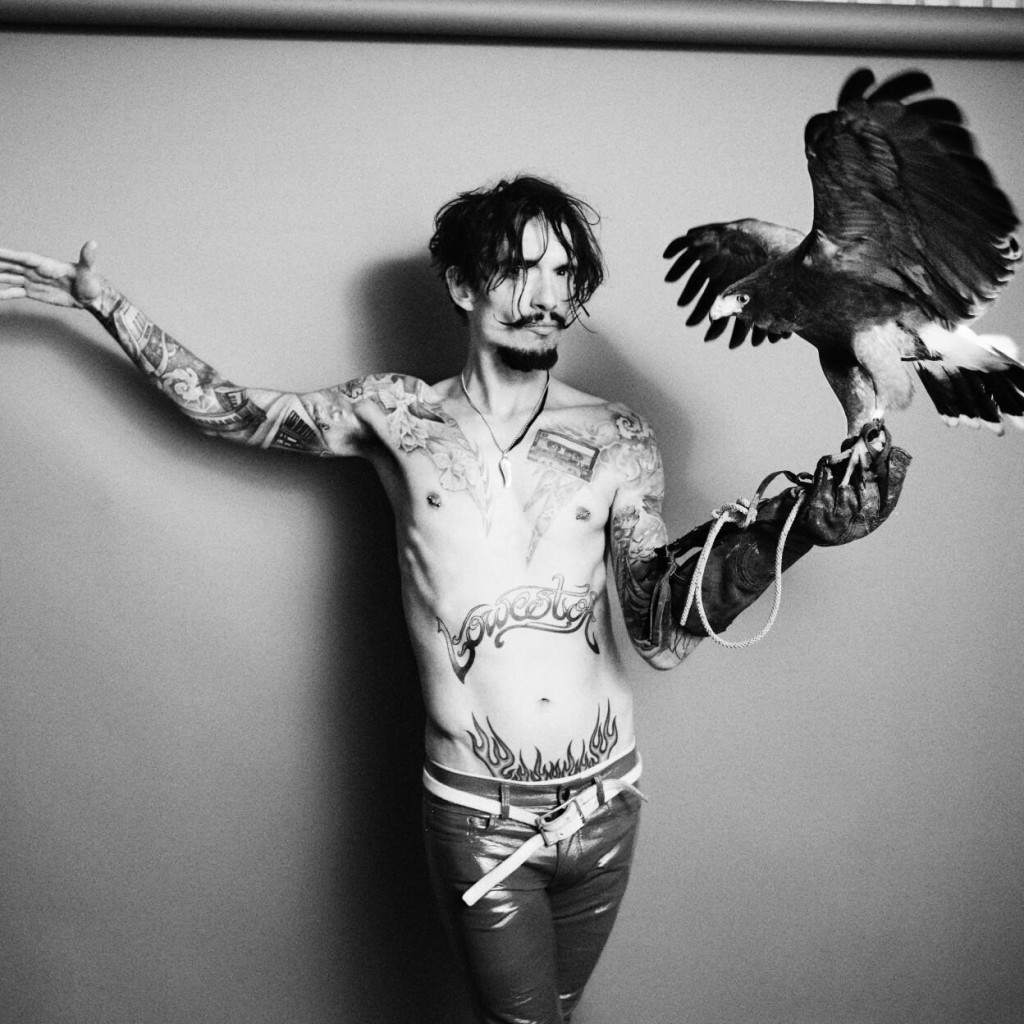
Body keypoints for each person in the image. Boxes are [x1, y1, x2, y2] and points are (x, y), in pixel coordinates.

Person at [0, 175, 908, 1024]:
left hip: (608, 806)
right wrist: (103, 303)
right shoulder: (397, 415)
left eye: (564, 274)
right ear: (463, 283)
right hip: (481, 817)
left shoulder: (618, 437)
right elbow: (229, 408)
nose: (546, 295)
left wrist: (794, 531)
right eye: (519, 269)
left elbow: (659, 627)